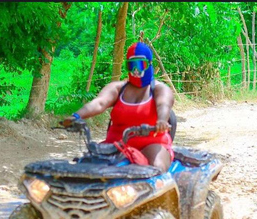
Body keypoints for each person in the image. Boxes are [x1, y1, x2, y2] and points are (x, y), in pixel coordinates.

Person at [63, 42, 175, 173]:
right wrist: (76, 116)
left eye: (141, 64)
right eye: (132, 65)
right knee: (87, 167)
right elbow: (99, 103)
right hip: (116, 144)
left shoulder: (159, 89)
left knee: (156, 169)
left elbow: (164, 105)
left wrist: (161, 120)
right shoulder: (118, 88)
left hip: (152, 142)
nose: (136, 70)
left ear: (149, 64)